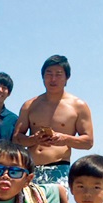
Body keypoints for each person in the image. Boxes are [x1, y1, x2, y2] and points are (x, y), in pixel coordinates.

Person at [13, 55, 93, 190]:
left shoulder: (78, 106)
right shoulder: (30, 105)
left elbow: (88, 142)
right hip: (29, 168)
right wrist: (34, 139)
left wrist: (65, 139)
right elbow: (16, 139)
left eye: (58, 74)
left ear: (67, 77)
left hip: (58, 168)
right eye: (49, 74)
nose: (53, 79)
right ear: (43, 76)